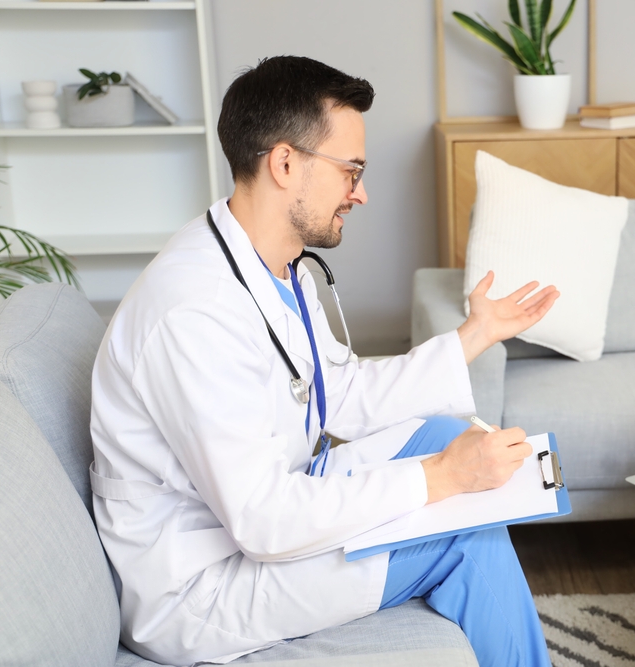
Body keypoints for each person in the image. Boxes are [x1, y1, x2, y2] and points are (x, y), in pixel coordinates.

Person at [89, 56, 560, 667]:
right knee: (464, 529)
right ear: (285, 163)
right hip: (202, 584)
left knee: (445, 434)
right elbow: (261, 520)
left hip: (261, 512)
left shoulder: (275, 265)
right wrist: (443, 478)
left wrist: (474, 335)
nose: (361, 193)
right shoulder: (192, 312)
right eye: (350, 171)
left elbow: (340, 392)